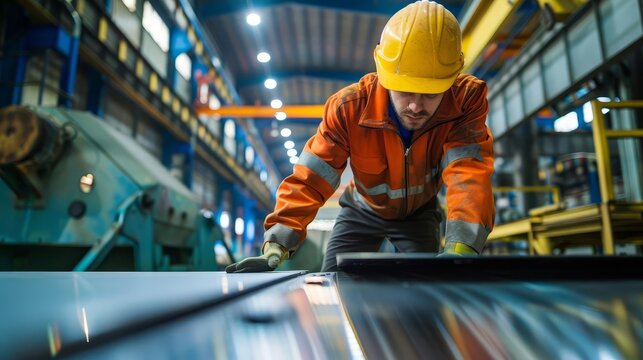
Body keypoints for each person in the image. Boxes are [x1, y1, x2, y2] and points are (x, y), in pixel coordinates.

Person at [226, 0, 495, 273]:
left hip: (419, 214)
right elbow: (311, 177)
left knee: (425, 287)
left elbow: (468, 173)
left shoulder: (464, 103)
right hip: (360, 212)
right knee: (333, 279)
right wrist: (278, 241)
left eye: (430, 94)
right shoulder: (349, 108)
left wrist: (462, 248)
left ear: (451, 81)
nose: (415, 106)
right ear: (384, 75)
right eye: (405, 90)